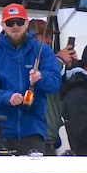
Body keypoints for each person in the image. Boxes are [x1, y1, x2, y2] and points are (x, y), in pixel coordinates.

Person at [0, 3, 63, 155]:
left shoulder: (43, 51)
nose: (15, 26)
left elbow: (55, 83)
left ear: (27, 23)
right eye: (10, 23)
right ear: (3, 25)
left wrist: (41, 77)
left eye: (20, 22)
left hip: (33, 132)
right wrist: (6, 97)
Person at [29, 19, 78, 155]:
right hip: (36, 135)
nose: (49, 41)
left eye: (51, 37)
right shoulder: (26, 59)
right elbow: (35, 79)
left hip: (51, 136)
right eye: (45, 36)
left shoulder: (51, 63)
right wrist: (59, 60)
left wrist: (72, 67)